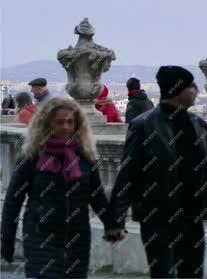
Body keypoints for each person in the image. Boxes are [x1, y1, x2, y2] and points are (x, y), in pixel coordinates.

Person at [110, 65, 207, 278]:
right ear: (177, 90)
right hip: (157, 216)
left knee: (193, 274)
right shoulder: (143, 125)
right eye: (192, 86)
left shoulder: (198, 124)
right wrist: (117, 219)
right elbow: (128, 174)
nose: (196, 90)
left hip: (192, 214)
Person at [1, 98, 124, 278]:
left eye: (70, 122)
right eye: (59, 122)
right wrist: (7, 241)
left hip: (77, 238)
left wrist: (112, 225)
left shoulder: (85, 156)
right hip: (40, 236)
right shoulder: (32, 156)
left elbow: (96, 196)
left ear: (77, 124)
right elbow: (13, 201)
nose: (65, 127)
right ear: (47, 123)